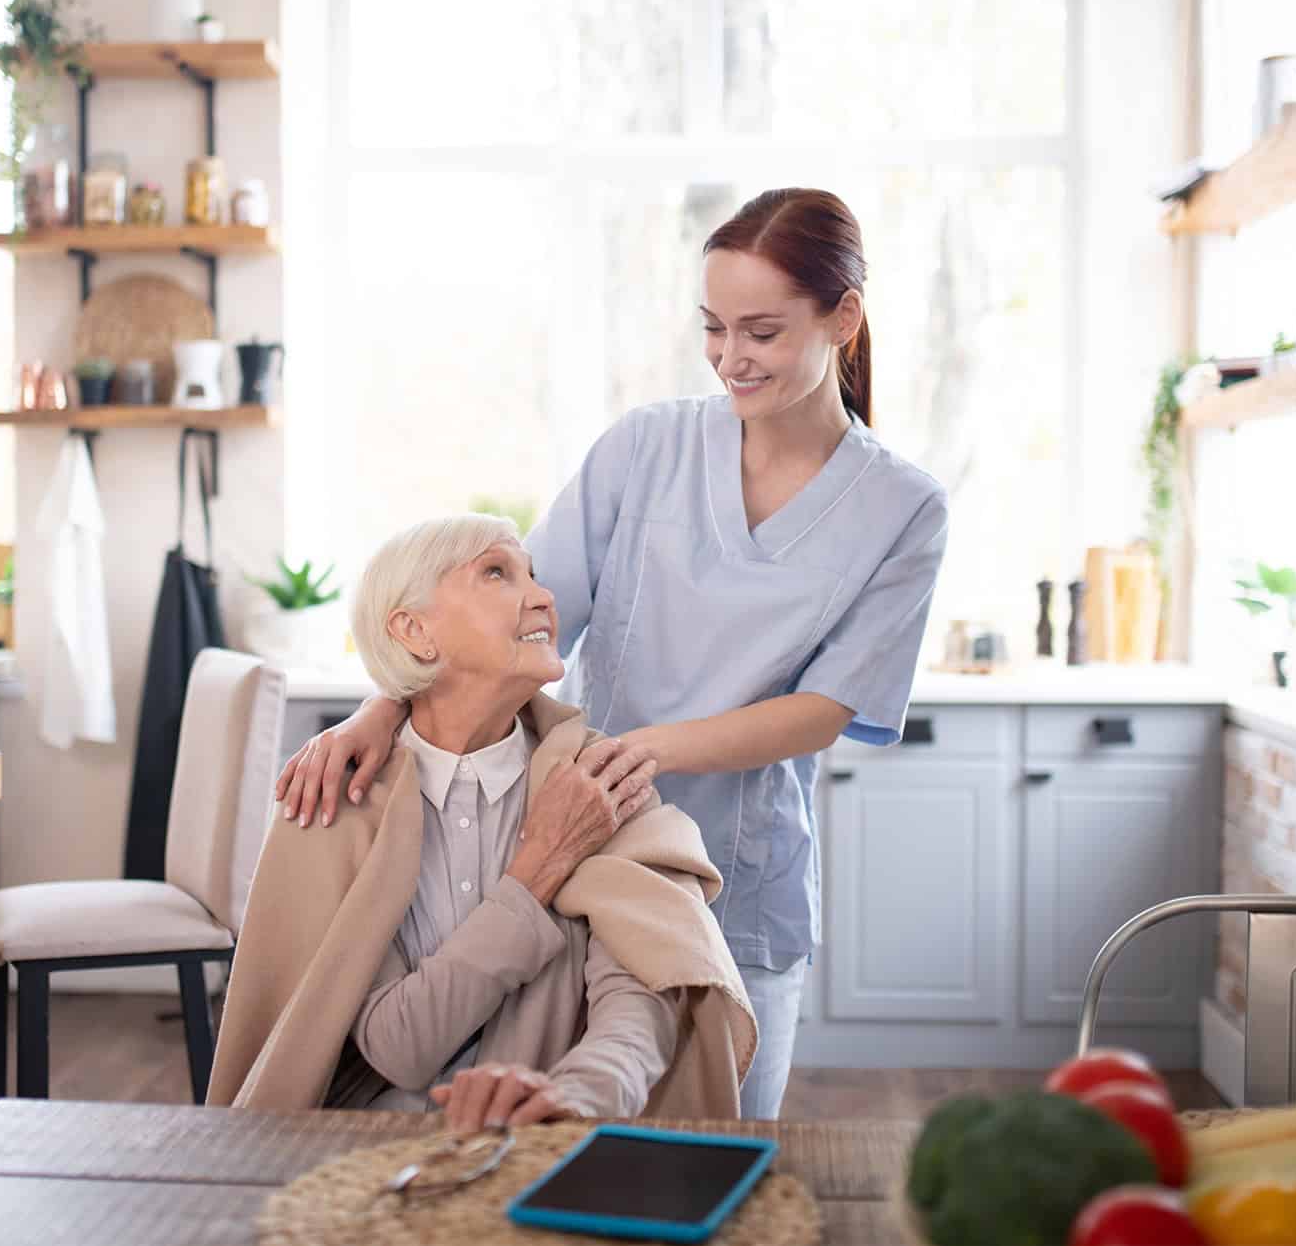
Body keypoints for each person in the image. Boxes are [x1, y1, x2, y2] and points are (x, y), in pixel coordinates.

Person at [278, 188, 950, 1119]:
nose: (729, 358)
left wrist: (647, 751)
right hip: (578, 853)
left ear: (844, 317)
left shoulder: (904, 507)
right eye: (713, 328)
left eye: (760, 331)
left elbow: (829, 708)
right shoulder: (647, 449)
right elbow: (517, 619)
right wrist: (380, 705)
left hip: (740, 882)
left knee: (720, 1153)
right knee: (563, 1140)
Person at [209, 515, 756, 1128]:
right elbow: (398, 1047)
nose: (544, 596)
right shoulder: (340, 801)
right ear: (415, 630)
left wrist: (582, 1093)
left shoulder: (598, 780)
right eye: (496, 572)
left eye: (533, 575)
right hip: (363, 1148)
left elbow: (643, 997)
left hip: (551, 1144)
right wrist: (536, 870)